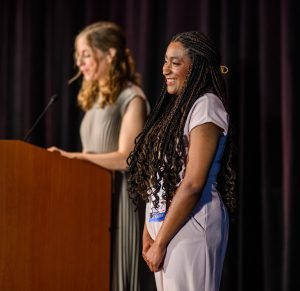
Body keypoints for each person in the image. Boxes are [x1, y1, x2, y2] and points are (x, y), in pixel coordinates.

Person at [127, 31, 236, 291]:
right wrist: (148, 232)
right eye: (165, 61)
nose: (166, 69)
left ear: (197, 66)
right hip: (165, 226)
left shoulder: (206, 105)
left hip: (193, 223)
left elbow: (192, 184)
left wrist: (160, 241)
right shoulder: (177, 110)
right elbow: (159, 176)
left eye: (175, 62)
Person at [48, 21, 150, 291]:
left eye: (86, 55)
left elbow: (128, 158)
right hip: (92, 203)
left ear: (110, 54)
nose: (80, 64)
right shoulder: (95, 100)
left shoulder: (131, 97)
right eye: (77, 57)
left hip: (119, 203)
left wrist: (77, 158)